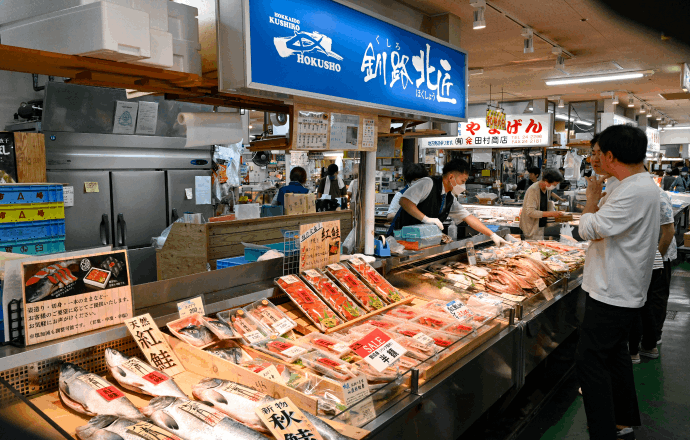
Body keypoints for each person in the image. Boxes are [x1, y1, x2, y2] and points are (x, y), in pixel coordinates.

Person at [576, 125, 660, 440]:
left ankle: (603, 433)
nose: (594, 159)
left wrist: (590, 200)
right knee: (615, 357)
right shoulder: (634, 184)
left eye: (598, 153)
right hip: (620, 288)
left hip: (612, 292)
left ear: (611, 156)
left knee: (590, 362)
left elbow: (589, 228)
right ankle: (622, 421)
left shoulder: (633, 190)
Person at [393, 159, 507, 247]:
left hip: (421, 243)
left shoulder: (449, 197)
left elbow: (468, 217)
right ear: (451, 177)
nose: (463, 186)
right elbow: (405, 201)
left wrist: (492, 235)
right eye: (462, 181)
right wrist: (426, 219)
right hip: (400, 240)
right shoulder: (428, 183)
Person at [628, 185, 676, 362]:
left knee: (654, 300)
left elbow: (668, 232)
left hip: (658, 258)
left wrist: (655, 259)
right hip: (647, 257)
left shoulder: (658, 196)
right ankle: (649, 342)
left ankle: (651, 340)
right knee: (646, 303)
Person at [519, 169, 565, 239]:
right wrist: (551, 214)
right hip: (531, 229)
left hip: (540, 227)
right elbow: (530, 212)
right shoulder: (533, 190)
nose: (554, 187)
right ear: (546, 181)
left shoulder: (547, 189)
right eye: (554, 184)